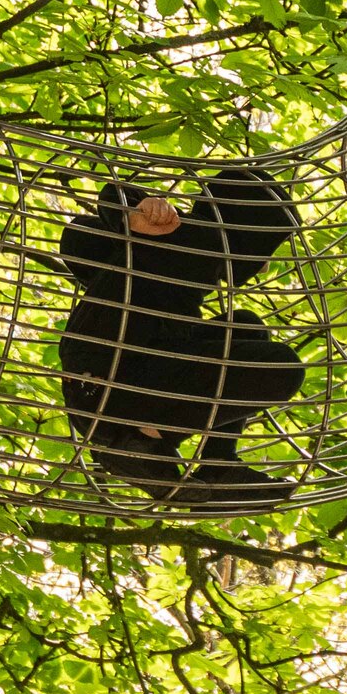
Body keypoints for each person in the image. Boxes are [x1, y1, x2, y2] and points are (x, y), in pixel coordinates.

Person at [55, 167, 304, 511]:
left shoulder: (181, 244)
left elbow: (78, 236)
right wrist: (133, 211)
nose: (264, 267)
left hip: (119, 376)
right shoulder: (190, 239)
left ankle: (218, 465)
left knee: (245, 326)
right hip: (111, 387)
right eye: (267, 250)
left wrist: (129, 216)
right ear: (247, 232)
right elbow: (80, 233)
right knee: (281, 368)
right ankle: (140, 441)